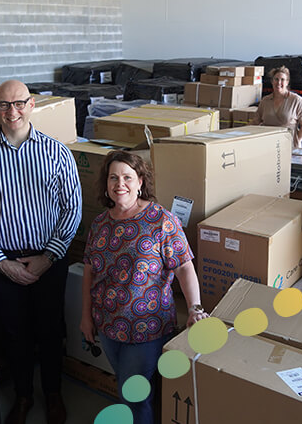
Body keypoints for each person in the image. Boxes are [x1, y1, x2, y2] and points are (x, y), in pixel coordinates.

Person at [0, 80, 82, 424]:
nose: (11, 112)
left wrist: (49, 257)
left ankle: (53, 393)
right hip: (2, 262)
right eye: (3, 105)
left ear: (31, 105)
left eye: (19, 103)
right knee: (14, 332)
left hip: (49, 257)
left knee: (50, 328)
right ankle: (24, 396)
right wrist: (0, 262)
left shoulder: (57, 152)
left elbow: (71, 208)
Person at [80, 150, 209, 424]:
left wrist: (195, 308)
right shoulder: (101, 223)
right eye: (113, 177)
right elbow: (90, 271)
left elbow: (184, 266)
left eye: (127, 177)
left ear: (140, 181)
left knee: (133, 395)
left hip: (147, 329)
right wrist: (85, 316)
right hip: (107, 325)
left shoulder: (161, 221)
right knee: (130, 390)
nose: (120, 184)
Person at [256, 66, 302, 148]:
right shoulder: (265, 101)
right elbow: (256, 121)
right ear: (272, 81)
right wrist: (240, 131)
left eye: (282, 80)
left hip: (289, 147)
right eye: (276, 79)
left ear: (287, 82)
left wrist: (297, 141)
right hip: (268, 146)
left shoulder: (296, 100)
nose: (279, 83)